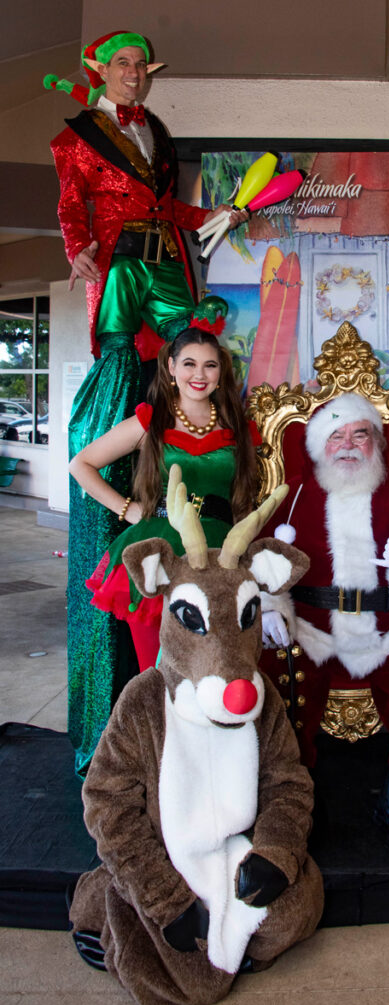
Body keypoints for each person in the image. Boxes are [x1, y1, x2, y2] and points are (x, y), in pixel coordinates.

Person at [47, 30, 247, 777]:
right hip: (122, 260)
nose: (134, 76)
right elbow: (73, 203)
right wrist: (78, 248)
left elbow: (168, 208)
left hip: (168, 260)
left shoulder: (156, 132)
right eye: (124, 66)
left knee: (189, 347)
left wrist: (215, 217)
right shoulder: (77, 136)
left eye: (142, 67)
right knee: (124, 359)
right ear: (100, 72)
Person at [260, 393, 389, 849]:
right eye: (337, 436)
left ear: (376, 443)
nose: (348, 444)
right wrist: (271, 606)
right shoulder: (292, 496)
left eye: (360, 434)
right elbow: (261, 561)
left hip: (385, 631)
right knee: (272, 670)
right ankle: (292, 796)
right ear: (319, 446)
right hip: (312, 632)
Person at [68, 296, 259, 773]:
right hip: (158, 558)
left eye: (210, 365)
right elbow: (81, 464)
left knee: (213, 670)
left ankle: (211, 773)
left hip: (217, 559)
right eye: (189, 363)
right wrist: (129, 510)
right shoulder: (150, 420)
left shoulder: (237, 425)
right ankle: (160, 774)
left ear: (221, 372)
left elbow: (244, 503)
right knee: (162, 673)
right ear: (170, 367)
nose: (200, 373)